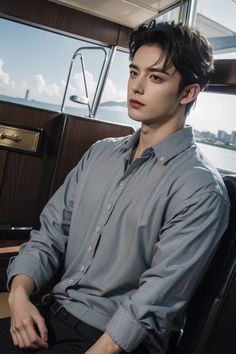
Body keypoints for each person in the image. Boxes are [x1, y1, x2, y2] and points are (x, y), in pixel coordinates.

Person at [0, 21, 230, 354]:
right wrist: (19, 298)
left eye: (155, 77)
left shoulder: (200, 189)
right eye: (134, 72)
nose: (136, 88)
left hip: (111, 342)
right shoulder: (100, 153)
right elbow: (50, 235)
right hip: (46, 315)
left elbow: (152, 306)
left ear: (188, 92)